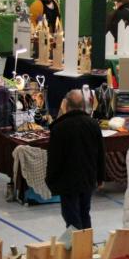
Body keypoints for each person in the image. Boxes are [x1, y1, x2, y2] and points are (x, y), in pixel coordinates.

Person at [46, 90, 105, 230]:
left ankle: (77, 249)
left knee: (72, 218)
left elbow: (54, 158)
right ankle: (87, 248)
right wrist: (100, 178)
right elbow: (101, 153)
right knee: (85, 214)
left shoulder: (59, 127)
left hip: (68, 182)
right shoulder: (93, 124)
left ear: (65, 104)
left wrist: (51, 180)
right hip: (88, 179)